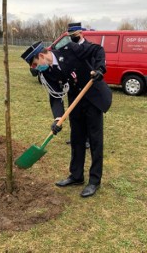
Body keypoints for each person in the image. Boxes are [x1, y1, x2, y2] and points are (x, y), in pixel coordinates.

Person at [21, 39, 112, 198]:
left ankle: (94, 181)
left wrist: (99, 69)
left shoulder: (70, 49)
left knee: (95, 140)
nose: (37, 68)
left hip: (93, 96)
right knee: (76, 138)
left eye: (36, 64)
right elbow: (55, 96)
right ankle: (76, 176)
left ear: (42, 55)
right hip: (75, 101)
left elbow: (98, 50)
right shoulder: (47, 72)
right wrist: (58, 118)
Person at [65, 22, 91, 149]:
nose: (72, 37)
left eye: (74, 35)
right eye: (70, 35)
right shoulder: (69, 47)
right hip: (72, 87)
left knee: (85, 114)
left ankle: (86, 139)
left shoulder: (89, 47)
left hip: (86, 87)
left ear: (81, 33)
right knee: (73, 114)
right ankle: (75, 137)